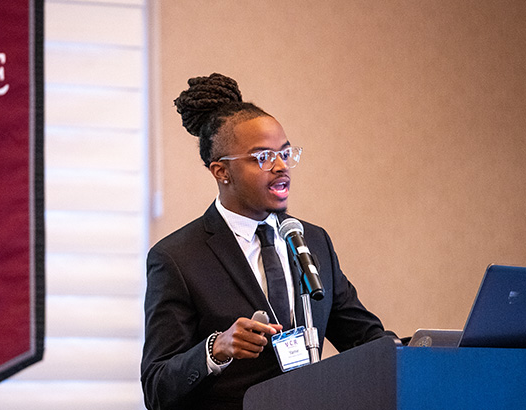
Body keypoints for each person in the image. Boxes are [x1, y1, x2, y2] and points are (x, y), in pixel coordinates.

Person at [141, 73, 397, 410]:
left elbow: (364, 338)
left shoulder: (312, 240)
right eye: (263, 157)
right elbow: (157, 387)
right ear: (221, 171)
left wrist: (419, 352)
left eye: (285, 153)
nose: (281, 167)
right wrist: (216, 348)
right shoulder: (177, 257)